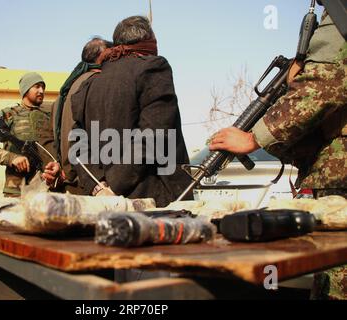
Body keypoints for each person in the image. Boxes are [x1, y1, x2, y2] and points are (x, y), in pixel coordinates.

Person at [209, 9, 346, 300]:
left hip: (340, 174)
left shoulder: (341, 14)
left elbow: (324, 83)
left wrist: (254, 137)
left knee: (336, 284)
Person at [70, 16, 193, 207]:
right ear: (149, 40)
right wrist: (114, 187)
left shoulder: (88, 85)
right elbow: (153, 136)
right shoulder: (153, 67)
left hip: (105, 203)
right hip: (154, 201)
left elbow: (77, 143)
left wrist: (99, 187)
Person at [42, 38, 113, 194]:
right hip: (94, 184)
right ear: (103, 57)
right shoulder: (97, 85)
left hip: (66, 182)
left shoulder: (63, 94)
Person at [0, 72, 55, 197]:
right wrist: (12, 158)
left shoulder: (49, 116)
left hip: (47, 189)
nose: (41, 91)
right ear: (25, 89)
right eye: (37, 86)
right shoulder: (9, 114)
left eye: (43, 87)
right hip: (16, 191)